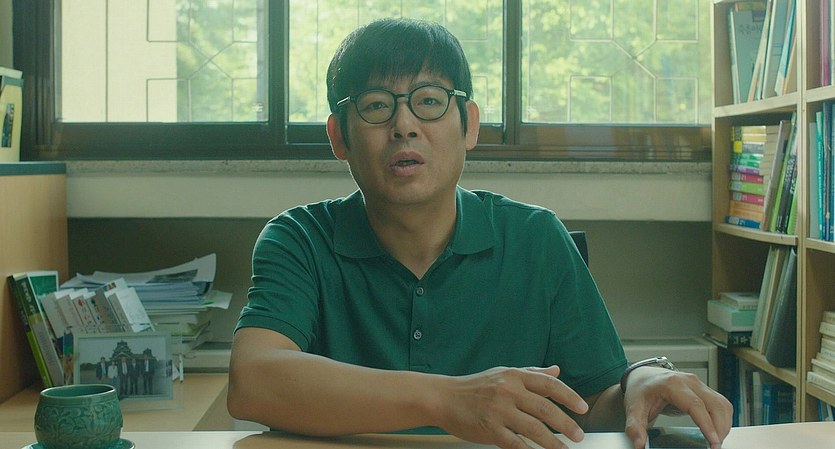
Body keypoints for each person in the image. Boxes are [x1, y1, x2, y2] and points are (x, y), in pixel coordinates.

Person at [227, 18, 732, 449]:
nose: (404, 125)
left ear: (469, 125)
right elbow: (253, 382)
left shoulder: (536, 238)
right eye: (377, 106)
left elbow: (591, 404)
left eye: (429, 101)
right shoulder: (299, 239)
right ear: (339, 136)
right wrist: (450, 400)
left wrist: (643, 382)